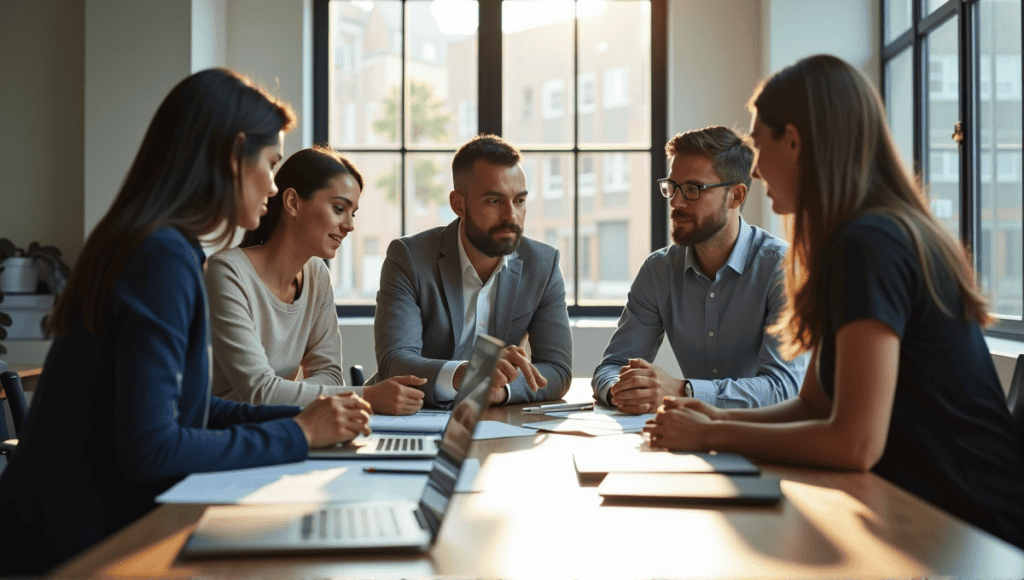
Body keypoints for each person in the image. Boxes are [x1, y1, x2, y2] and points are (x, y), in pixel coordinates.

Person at [0, 69, 372, 575]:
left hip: (83, 529)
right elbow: (153, 449)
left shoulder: (152, 242)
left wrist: (306, 421)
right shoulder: (162, 256)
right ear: (231, 155)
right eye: (270, 163)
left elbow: (187, 412)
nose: (273, 182)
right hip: (78, 549)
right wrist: (300, 435)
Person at [645, 54, 1024, 549]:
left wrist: (712, 435)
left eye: (760, 145)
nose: (756, 170)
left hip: (971, 531)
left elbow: (855, 444)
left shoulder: (870, 243)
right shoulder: (857, 238)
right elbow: (813, 404)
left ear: (796, 142)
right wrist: (710, 417)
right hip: (924, 514)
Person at [593, 126, 806, 414]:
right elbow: (612, 367)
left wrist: (683, 391)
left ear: (736, 196)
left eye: (693, 189)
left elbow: (782, 388)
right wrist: (621, 393)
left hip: (764, 439)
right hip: (688, 434)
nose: (676, 202)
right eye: (673, 187)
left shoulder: (781, 268)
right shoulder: (658, 270)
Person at [206, 145, 426, 415]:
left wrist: (292, 396)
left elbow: (331, 375)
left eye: (352, 212)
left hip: (285, 426)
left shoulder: (317, 274)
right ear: (292, 203)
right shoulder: (227, 272)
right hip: (228, 435)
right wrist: (367, 396)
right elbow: (259, 391)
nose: (349, 225)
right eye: (338, 208)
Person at [374, 134, 572, 408]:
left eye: (519, 201)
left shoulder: (543, 264)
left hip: (493, 421)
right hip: (412, 415)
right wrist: (467, 374)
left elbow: (557, 370)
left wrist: (499, 391)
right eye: (494, 201)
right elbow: (395, 363)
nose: (511, 216)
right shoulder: (409, 258)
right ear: (458, 205)